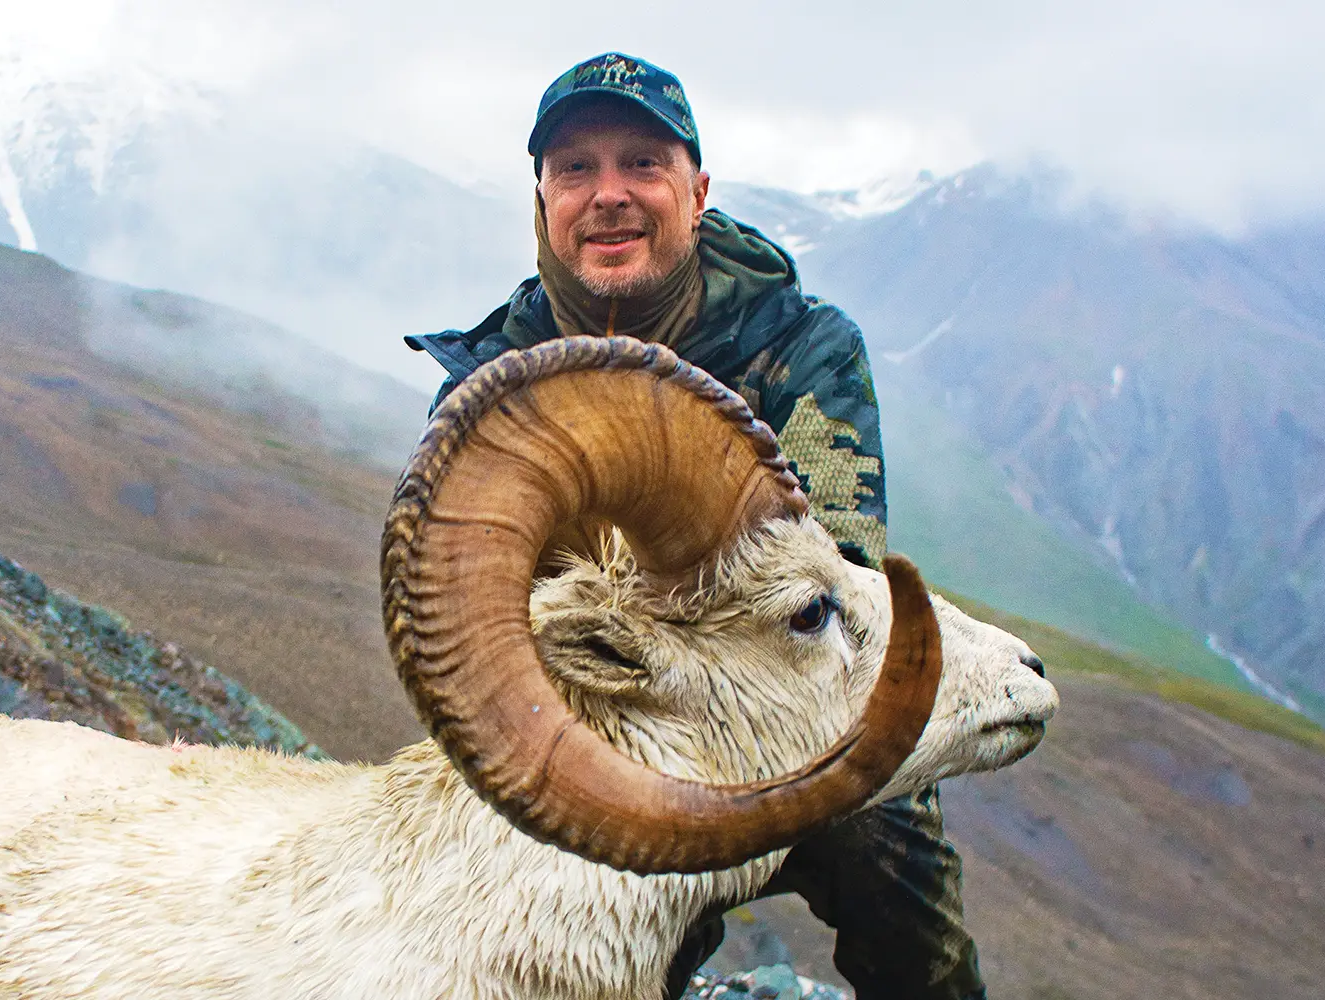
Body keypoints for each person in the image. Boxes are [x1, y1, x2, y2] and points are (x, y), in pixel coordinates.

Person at [406, 53, 987, 1000]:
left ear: (697, 189)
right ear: (541, 197)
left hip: (790, 708)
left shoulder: (802, 346)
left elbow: (833, 572)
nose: (609, 196)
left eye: (643, 163)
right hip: (603, 721)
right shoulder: (491, 386)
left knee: (903, 886)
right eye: (575, 169)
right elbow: (459, 616)